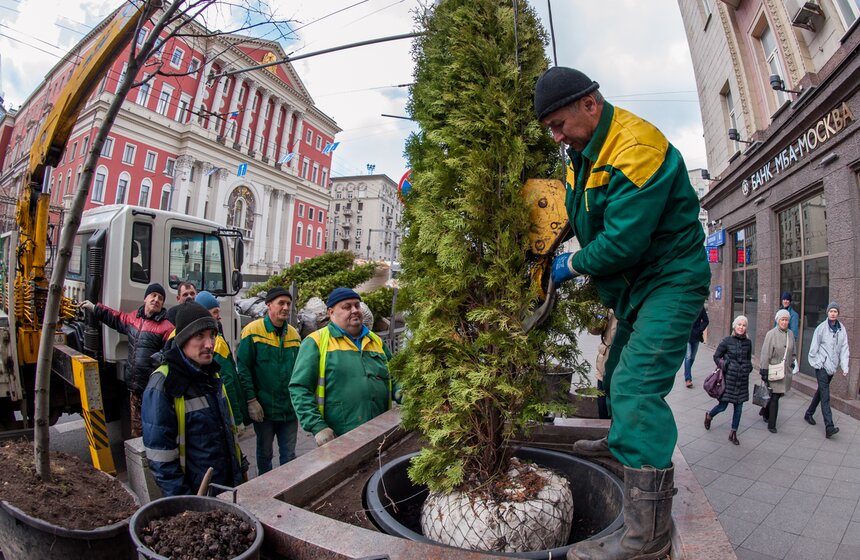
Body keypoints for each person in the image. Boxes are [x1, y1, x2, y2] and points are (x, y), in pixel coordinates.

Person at [534, 66, 710, 560]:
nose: (556, 135)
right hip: (635, 289)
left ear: (590, 104)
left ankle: (646, 538)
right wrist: (551, 239)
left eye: (559, 124)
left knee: (636, 386)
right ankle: (622, 443)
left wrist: (568, 265)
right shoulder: (580, 153)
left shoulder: (637, 149)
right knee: (613, 373)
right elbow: (579, 211)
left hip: (670, 281)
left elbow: (623, 244)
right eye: (550, 128)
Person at [141, 302, 244, 496]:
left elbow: (226, 433)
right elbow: (161, 460)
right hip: (197, 500)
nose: (209, 344)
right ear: (183, 339)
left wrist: (240, 469)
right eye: (200, 336)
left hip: (225, 490)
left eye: (212, 335)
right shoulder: (163, 384)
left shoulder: (212, 375)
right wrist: (187, 504)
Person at [290, 288, 398, 446]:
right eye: (347, 307)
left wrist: (402, 391)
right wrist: (317, 426)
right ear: (331, 312)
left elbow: (394, 376)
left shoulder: (376, 341)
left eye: (357, 305)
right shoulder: (317, 342)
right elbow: (299, 388)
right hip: (339, 436)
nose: (354, 310)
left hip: (379, 431)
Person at [81, 283, 173, 437]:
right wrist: (95, 308)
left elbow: (171, 352)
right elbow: (115, 317)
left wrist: (158, 359)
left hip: (153, 390)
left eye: (160, 298)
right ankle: (139, 459)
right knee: (137, 430)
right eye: (153, 295)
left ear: (163, 304)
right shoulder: (133, 319)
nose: (156, 299)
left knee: (154, 427)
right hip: (135, 388)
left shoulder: (167, 327)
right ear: (145, 298)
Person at [236, 287, 301, 474]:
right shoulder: (252, 332)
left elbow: (300, 372)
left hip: (289, 410)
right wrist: (251, 401)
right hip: (264, 410)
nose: (286, 307)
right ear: (268, 305)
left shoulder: (294, 336)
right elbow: (244, 368)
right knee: (264, 454)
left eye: (288, 304)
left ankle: (287, 490)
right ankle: (265, 491)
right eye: (281, 303)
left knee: (289, 456)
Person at [196, 291, 247, 428]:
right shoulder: (216, 344)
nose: (219, 317)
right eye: (215, 312)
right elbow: (228, 382)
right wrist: (236, 418)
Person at [704, 316, 752, 445]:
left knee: (739, 408)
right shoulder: (727, 341)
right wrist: (725, 365)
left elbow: (748, 359)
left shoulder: (748, 342)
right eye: (739, 325)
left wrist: (748, 367)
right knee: (722, 406)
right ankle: (709, 416)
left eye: (744, 325)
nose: (741, 327)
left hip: (742, 380)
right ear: (734, 326)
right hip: (728, 380)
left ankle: (733, 433)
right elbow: (716, 356)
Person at [805, 302, 850, 438]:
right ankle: (829, 426)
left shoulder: (841, 329)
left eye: (835, 311)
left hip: (832, 367)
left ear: (838, 313)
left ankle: (808, 414)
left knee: (820, 392)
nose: (833, 313)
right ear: (827, 313)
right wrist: (818, 363)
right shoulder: (821, 328)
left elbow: (844, 349)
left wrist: (844, 366)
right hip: (822, 366)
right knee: (825, 396)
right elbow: (814, 348)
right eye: (831, 311)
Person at [759, 309, 796, 434]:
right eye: (782, 320)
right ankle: (772, 424)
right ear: (778, 320)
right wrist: (764, 370)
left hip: (785, 371)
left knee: (777, 396)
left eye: (786, 320)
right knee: (774, 396)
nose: (784, 322)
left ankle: (765, 411)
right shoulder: (771, 334)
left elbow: (793, 351)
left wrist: (792, 362)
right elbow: (765, 353)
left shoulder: (790, 334)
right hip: (773, 370)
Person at [684, 307, 709, 388]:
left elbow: (706, 320)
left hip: (696, 336)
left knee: (692, 357)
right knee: (688, 356)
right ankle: (688, 379)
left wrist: (699, 329)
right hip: (686, 336)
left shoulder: (700, 307)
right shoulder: (686, 307)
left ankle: (687, 371)